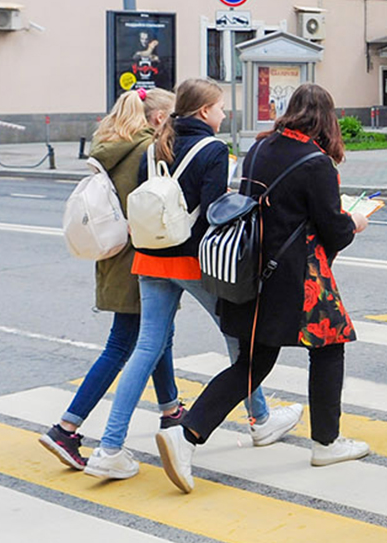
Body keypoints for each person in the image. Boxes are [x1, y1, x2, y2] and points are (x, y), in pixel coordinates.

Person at [157, 84, 372, 491]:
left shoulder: (260, 148)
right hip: (300, 277)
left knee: (252, 363)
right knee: (328, 348)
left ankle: (185, 434)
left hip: (254, 269)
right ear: (327, 119)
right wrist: (355, 221)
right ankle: (327, 442)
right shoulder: (316, 162)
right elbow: (335, 230)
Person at [85, 78, 297, 481]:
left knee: (145, 349)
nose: (223, 114)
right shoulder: (213, 148)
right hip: (190, 262)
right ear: (204, 112)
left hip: (149, 257)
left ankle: (108, 447)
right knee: (239, 338)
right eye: (219, 108)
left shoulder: (155, 144)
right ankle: (261, 421)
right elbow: (216, 210)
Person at [39, 87, 177, 470]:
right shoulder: (147, 150)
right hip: (140, 257)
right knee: (124, 344)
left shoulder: (113, 144)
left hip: (114, 255)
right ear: (160, 117)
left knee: (155, 336)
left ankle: (171, 410)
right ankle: (66, 428)